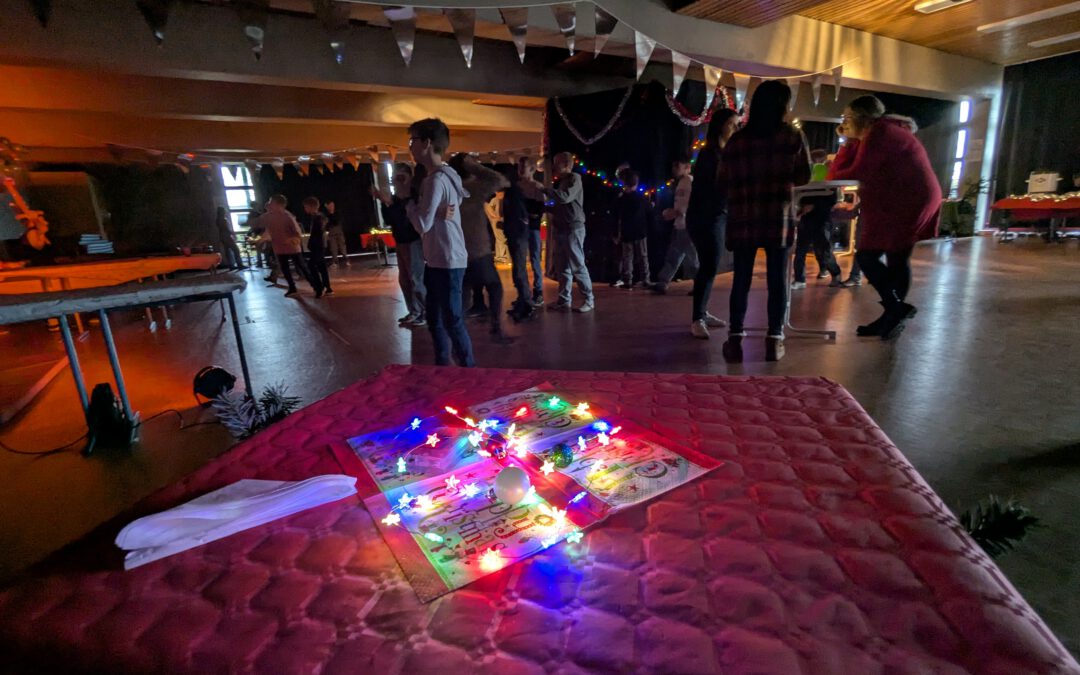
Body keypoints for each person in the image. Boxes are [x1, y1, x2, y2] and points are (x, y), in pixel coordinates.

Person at [828, 95, 941, 340]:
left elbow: (855, 171)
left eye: (847, 117)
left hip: (910, 200)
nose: (844, 122)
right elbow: (838, 172)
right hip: (896, 200)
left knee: (875, 257)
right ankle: (892, 314)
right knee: (894, 258)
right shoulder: (872, 135)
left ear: (862, 118)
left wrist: (847, 144)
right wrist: (848, 141)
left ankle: (895, 309)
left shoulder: (882, 134)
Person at [722, 80, 812, 362]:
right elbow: (804, 176)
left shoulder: (738, 139)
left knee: (742, 280)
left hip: (744, 217)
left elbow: (722, 180)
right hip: (778, 217)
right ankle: (774, 340)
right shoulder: (792, 137)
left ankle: (735, 339)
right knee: (777, 280)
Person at [406, 118, 475, 367]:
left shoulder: (436, 179)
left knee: (451, 319)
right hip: (439, 257)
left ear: (426, 143)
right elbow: (447, 210)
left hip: (447, 258)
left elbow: (422, 225)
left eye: (411, 141)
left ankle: (468, 372)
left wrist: (410, 205)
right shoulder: (446, 174)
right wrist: (435, 213)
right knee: (436, 319)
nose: (410, 147)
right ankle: (444, 369)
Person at [686, 108, 740, 340]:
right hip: (705, 218)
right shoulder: (711, 154)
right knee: (709, 265)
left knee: (710, 265)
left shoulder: (721, 153)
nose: (736, 129)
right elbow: (717, 189)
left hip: (715, 216)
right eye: (732, 124)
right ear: (720, 126)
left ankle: (701, 313)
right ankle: (697, 318)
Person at [449, 153, 513, 343]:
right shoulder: (474, 188)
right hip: (478, 251)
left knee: (462, 294)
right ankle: (496, 328)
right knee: (494, 287)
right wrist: (473, 166)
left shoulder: (449, 190)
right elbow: (501, 180)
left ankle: (457, 339)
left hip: (456, 252)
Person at [373, 164, 427, 327]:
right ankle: (414, 311)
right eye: (396, 177)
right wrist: (384, 202)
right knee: (404, 279)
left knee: (416, 278)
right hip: (401, 241)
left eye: (401, 176)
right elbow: (390, 219)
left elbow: (408, 218)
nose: (396, 180)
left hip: (413, 240)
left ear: (409, 177)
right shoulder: (397, 197)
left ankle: (424, 312)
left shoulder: (414, 195)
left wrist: (389, 202)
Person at [545, 151, 595, 313]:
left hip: (573, 227)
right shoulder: (562, 181)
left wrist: (545, 190)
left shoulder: (574, 178)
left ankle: (589, 299)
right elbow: (561, 203)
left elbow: (565, 197)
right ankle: (564, 300)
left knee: (577, 264)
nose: (554, 166)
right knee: (562, 267)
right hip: (562, 227)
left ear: (566, 164)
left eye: (557, 162)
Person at [251, 194, 322, 298]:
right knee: (285, 269)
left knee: (303, 268)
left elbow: (297, 232)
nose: (269, 204)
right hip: (279, 249)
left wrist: (293, 240)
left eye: (271, 202)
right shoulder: (268, 216)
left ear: (278, 205)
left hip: (292, 248)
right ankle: (292, 288)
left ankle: (317, 287)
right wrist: (261, 239)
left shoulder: (287, 216)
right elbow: (264, 229)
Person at [502, 157, 547, 316]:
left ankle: (538, 291)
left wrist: (528, 215)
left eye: (524, 167)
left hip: (532, 228)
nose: (521, 170)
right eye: (519, 167)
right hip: (520, 228)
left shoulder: (537, 186)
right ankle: (524, 295)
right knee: (520, 262)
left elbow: (541, 208)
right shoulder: (517, 186)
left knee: (534, 259)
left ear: (533, 169)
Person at [792, 151, 842, 288]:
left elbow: (832, 199)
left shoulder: (829, 176)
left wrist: (813, 206)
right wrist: (801, 208)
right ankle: (799, 279)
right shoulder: (806, 176)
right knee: (801, 250)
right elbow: (800, 194)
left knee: (823, 250)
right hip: (807, 218)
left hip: (822, 218)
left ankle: (835, 274)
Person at [652, 157, 698, 294]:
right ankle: (663, 282)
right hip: (679, 225)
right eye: (674, 166)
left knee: (692, 258)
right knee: (674, 255)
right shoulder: (680, 183)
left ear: (687, 167)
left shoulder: (689, 182)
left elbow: (689, 204)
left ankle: (699, 285)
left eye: (678, 166)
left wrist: (675, 213)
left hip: (688, 226)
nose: (674, 169)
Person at [613, 171, 653, 289]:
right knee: (643, 256)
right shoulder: (642, 198)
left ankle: (628, 280)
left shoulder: (621, 199)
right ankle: (646, 279)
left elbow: (616, 216)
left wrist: (616, 232)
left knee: (627, 257)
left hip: (626, 232)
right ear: (636, 183)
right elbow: (649, 211)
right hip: (640, 231)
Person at [302, 197, 333, 296]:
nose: (305, 209)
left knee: (311, 266)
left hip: (317, 246)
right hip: (319, 246)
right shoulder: (319, 217)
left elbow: (317, 234)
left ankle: (319, 288)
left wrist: (311, 244)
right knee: (321, 266)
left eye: (306, 207)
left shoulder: (317, 218)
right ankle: (327, 287)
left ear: (311, 207)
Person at [325, 200, 348, 267]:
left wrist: (332, 213)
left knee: (342, 246)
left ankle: (346, 259)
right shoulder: (326, 214)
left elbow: (336, 221)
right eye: (330, 206)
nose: (332, 207)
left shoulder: (337, 212)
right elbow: (327, 223)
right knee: (333, 248)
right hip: (331, 233)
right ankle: (335, 261)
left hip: (339, 232)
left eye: (333, 205)